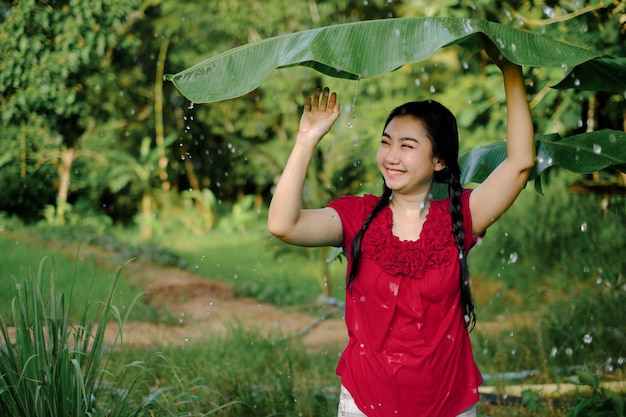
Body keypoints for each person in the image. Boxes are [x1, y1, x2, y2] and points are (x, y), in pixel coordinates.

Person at [267, 39, 535, 417]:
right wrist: (307, 139)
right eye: (386, 142)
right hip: (364, 404)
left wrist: (510, 70)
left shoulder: (460, 215)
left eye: (407, 145)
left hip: (448, 405)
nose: (391, 156)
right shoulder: (357, 217)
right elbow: (283, 224)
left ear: (439, 159)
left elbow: (520, 163)